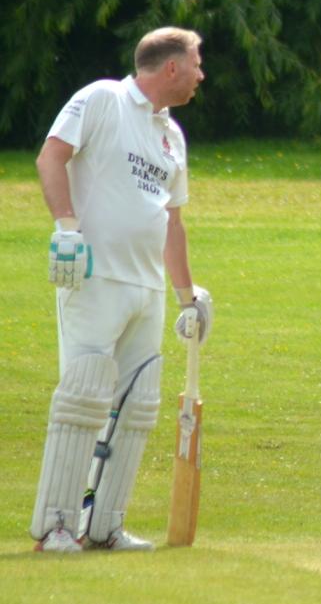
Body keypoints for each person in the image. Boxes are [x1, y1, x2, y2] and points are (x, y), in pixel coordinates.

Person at [31, 27, 213, 553]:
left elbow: (171, 222)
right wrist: (67, 228)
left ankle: (104, 524)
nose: (202, 75)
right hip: (94, 275)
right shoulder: (102, 98)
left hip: (146, 287)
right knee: (84, 395)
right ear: (171, 67)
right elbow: (51, 156)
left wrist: (187, 297)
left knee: (136, 406)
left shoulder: (171, 135)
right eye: (197, 64)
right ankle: (55, 526)